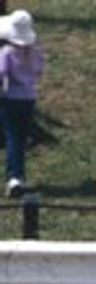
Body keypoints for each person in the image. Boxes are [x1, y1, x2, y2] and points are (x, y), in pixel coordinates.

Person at [0, 9, 43, 197]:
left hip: (11, 98)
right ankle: (19, 175)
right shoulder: (36, 53)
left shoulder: (7, 52)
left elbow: (1, 73)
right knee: (20, 138)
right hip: (29, 98)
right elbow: (38, 72)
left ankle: (13, 176)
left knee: (11, 136)